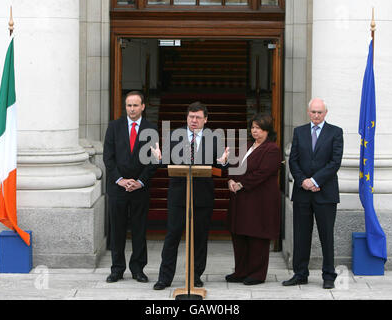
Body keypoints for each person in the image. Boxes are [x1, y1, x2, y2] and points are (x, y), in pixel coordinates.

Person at [151, 102, 229, 290]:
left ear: (206, 119)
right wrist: (159, 159)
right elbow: (166, 165)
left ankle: (195, 276)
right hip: (179, 196)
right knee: (172, 236)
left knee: (200, 238)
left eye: (198, 117)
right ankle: (165, 277)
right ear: (186, 117)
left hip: (203, 196)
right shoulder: (174, 136)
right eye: (191, 117)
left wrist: (224, 163)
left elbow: (219, 168)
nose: (194, 121)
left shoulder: (215, 139)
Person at [283, 98, 343, 289]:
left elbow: (335, 162)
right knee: (301, 235)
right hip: (303, 193)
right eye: (313, 112)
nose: (316, 115)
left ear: (326, 113)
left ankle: (328, 275)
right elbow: (293, 160)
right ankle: (300, 274)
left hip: (325, 193)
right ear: (308, 112)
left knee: (326, 236)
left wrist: (316, 181)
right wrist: (303, 181)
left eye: (320, 112)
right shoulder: (299, 131)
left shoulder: (335, 132)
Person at [103, 91, 157, 283]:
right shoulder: (114, 127)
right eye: (129, 105)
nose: (132, 109)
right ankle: (117, 269)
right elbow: (108, 157)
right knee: (117, 230)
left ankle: (138, 269)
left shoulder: (151, 129)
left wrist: (139, 181)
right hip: (118, 188)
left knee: (139, 230)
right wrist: (120, 180)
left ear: (143, 106)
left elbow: (153, 160)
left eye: (135, 105)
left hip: (140, 189)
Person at [225, 113, 281, 285]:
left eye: (259, 128)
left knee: (257, 236)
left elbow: (262, 173)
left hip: (259, 201)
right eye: (253, 127)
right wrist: (230, 180)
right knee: (240, 235)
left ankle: (257, 274)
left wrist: (241, 184)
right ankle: (241, 271)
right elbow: (234, 165)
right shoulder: (247, 145)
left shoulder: (272, 149)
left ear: (267, 130)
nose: (255, 131)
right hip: (241, 201)